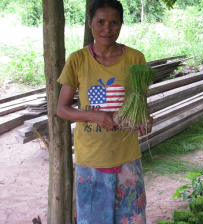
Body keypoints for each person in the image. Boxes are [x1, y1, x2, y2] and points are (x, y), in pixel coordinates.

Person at [57, 0, 152, 223]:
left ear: (121, 24)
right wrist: (93, 115)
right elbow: (61, 109)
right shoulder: (77, 60)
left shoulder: (135, 58)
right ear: (90, 23)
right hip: (91, 158)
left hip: (126, 156)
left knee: (132, 219)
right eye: (100, 22)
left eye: (113, 23)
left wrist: (145, 122)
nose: (107, 29)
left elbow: (141, 107)